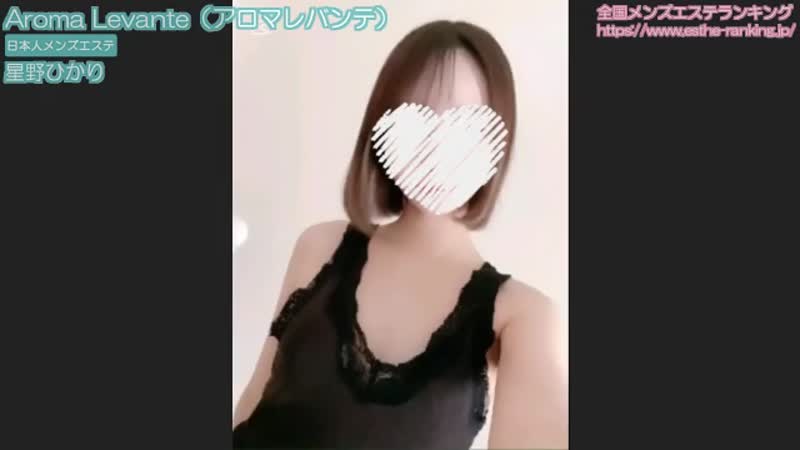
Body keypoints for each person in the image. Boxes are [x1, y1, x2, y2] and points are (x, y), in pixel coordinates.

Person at [233, 20, 567, 449]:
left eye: (461, 125)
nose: (432, 146)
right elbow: (252, 402)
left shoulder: (521, 315)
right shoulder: (320, 246)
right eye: (414, 119)